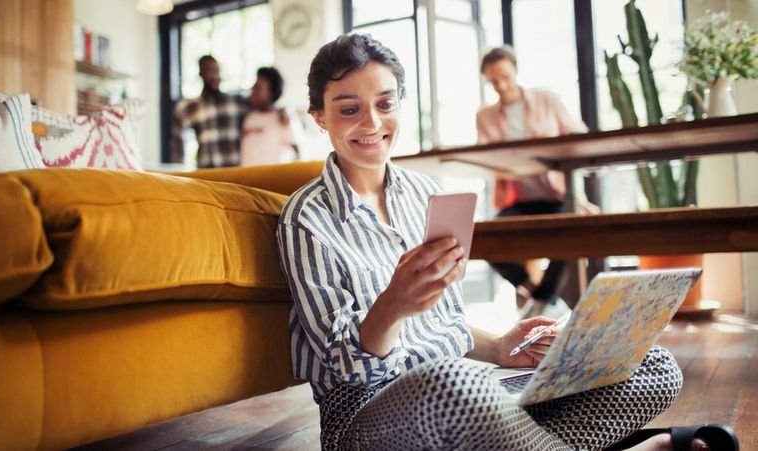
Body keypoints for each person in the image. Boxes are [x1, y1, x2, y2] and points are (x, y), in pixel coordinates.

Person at [276, 33, 695, 451]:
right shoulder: (305, 218)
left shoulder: (426, 193)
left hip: (467, 398)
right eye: (349, 109)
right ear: (319, 117)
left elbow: (442, 323)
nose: (372, 123)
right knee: (454, 384)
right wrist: (393, 305)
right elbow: (348, 369)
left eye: (385, 104)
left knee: (651, 363)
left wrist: (499, 348)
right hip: (367, 415)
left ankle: (522, 439)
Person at [476, 45, 599, 318]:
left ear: (516, 71)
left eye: (505, 77)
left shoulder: (547, 100)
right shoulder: (485, 116)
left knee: (570, 229)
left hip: (559, 196)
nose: (501, 86)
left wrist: (551, 151)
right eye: (494, 81)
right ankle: (540, 294)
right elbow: (486, 158)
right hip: (519, 200)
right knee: (481, 238)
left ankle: (543, 301)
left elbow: (579, 136)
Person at [170, 55, 249, 168]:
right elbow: (176, 142)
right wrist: (177, 170)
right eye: (209, 71)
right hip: (207, 170)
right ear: (201, 73)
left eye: (216, 71)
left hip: (235, 170)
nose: (214, 76)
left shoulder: (237, 102)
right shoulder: (190, 107)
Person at [240, 67, 300, 166]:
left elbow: (297, 151)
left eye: (258, 87)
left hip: (276, 175)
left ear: (272, 93)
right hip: (248, 175)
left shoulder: (284, 118)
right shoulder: (249, 118)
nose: (253, 89)